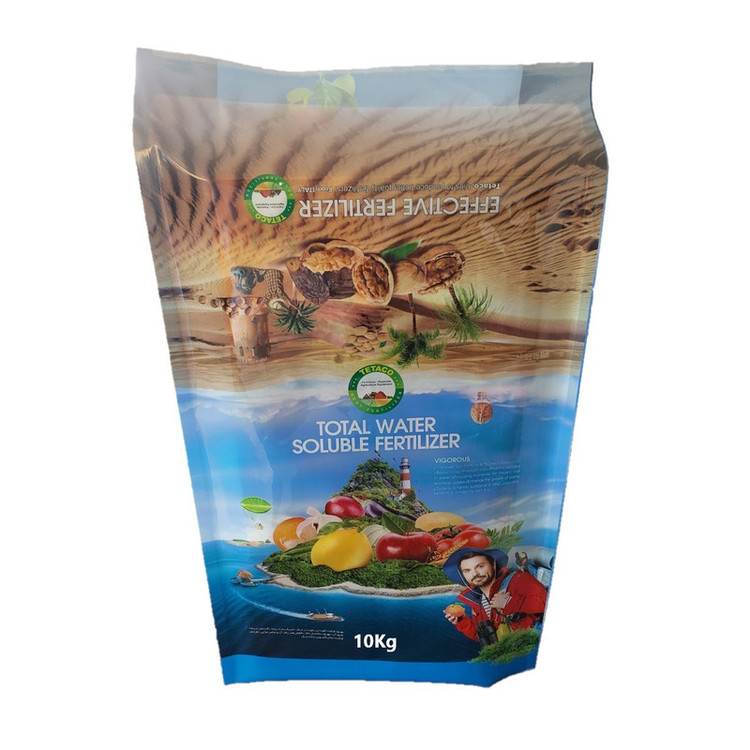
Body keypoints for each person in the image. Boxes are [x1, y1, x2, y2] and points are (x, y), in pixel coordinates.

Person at [443, 547, 547, 642]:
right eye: (467, 571)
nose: (475, 574)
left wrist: (508, 602)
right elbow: (484, 636)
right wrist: (461, 621)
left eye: (480, 566)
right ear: (463, 575)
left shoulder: (518, 579)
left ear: (493, 564)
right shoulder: (478, 601)